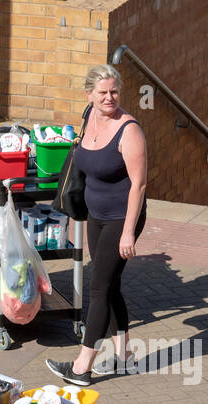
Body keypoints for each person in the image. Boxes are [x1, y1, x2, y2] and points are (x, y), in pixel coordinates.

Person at [46, 63, 148, 387]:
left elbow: (139, 185)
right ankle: (125, 357)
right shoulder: (88, 117)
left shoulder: (129, 130)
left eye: (114, 91)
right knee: (111, 283)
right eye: (102, 92)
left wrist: (129, 231)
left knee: (99, 287)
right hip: (95, 216)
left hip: (122, 218)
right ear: (89, 94)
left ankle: (81, 367)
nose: (109, 98)